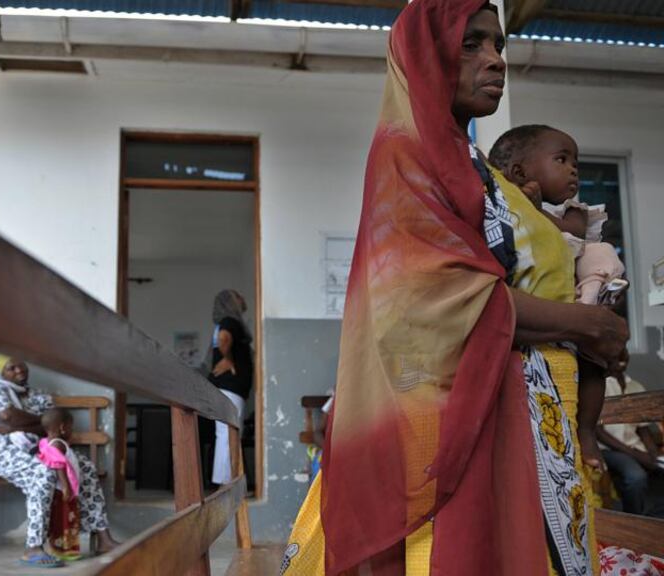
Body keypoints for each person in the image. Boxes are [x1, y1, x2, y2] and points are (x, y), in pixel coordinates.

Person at [282, 2, 631, 574]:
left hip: (521, 416)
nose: (495, 60)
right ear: (425, 55)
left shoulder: (476, 168)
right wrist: (582, 323)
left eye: (498, 45)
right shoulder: (407, 155)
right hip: (450, 420)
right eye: (472, 44)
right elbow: (434, 294)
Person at [489, 123, 629, 470]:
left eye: (575, 163)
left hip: (582, 298)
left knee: (594, 369)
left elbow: (572, 234)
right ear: (519, 172)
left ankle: (587, 431)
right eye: (562, 159)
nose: (573, 170)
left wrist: (535, 211)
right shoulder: (502, 209)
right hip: (537, 333)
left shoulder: (573, 211)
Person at [0, 355, 117, 568]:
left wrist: (22, 424)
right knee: (44, 472)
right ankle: (33, 548)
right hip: (3, 451)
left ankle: (103, 539)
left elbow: (51, 426)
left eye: (21, 365)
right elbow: (9, 416)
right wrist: (37, 422)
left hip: (42, 448)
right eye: (11, 368)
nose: (19, 371)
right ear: (2, 372)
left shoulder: (39, 395)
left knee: (86, 467)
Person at [597, 371, 664, 516]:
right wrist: (636, 455)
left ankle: (652, 516)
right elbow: (599, 433)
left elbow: (643, 429)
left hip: (636, 446)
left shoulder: (635, 385)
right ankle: (635, 518)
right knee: (636, 477)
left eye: (623, 348)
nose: (619, 352)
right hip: (609, 449)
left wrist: (655, 455)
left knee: (660, 465)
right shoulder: (598, 385)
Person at [206, 289, 253, 486]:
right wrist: (228, 360)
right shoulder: (229, 322)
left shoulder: (225, 323)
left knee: (226, 434)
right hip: (230, 388)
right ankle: (227, 484)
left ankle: (225, 482)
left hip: (228, 388)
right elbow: (224, 340)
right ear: (231, 301)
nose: (242, 298)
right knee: (229, 433)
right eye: (238, 295)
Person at [37, 408, 82, 561]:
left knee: (62, 520)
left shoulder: (48, 443)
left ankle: (62, 549)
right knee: (65, 521)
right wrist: (66, 487)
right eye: (71, 427)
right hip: (62, 491)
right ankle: (63, 550)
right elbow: (59, 465)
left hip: (60, 490)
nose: (72, 431)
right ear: (62, 428)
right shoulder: (58, 444)